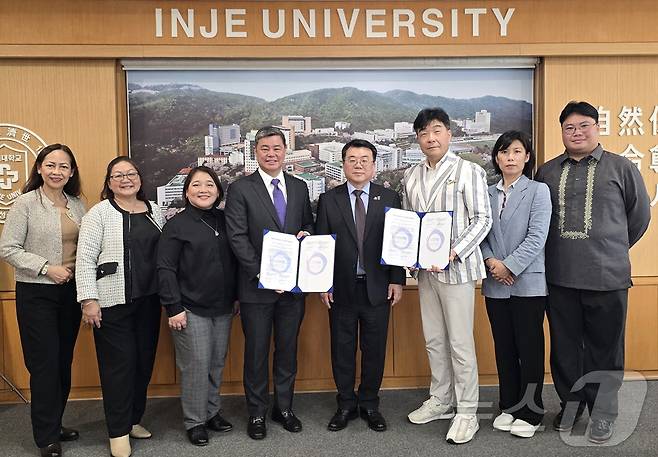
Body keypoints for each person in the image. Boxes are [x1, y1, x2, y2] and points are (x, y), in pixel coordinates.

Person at [535, 101, 651, 444]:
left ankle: (603, 413)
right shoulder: (548, 171)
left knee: (605, 349)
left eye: (584, 125)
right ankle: (571, 405)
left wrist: (610, 248)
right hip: (559, 277)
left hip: (607, 277)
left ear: (596, 127)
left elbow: (639, 216)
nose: (577, 133)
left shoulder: (621, 167)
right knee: (565, 348)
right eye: (570, 128)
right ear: (562, 132)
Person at [403, 108, 492, 444]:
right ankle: (440, 399)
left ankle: (467, 411)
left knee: (460, 343)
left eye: (437, 130)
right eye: (424, 133)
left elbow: (483, 219)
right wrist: (411, 259)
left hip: (457, 270)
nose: (431, 138)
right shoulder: (411, 175)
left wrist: (453, 251)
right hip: (426, 273)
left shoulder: (468, 171)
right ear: (418, 139)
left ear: (449, 133)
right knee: (434, 340)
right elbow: (411, 225)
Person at [225, 126, 314, 440]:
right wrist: (263, 274)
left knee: (288, 351)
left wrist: (306, 235)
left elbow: (307, 224)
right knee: (257, 352)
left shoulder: (300, 187)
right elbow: (236, 237)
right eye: (265, 148)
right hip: (256, 288)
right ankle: (257, 413)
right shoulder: (240, 189)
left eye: (277, 148)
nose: (271, 153)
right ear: (255, 152)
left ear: (285, 151)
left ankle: (284, 408)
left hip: (292, 289)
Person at [0, 144, 86, 457]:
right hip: (37, 292)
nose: (56, 172)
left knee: (63, 362)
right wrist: (46, 268)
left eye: (64, 167)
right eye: (50, 165)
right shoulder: (25, 203)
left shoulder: (78, 203)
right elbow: (7, 248)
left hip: (70, 293)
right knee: (45, 364)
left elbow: (85, 247)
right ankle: (46, 436)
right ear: (39, 168)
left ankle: (55, 422)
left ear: (71, 172)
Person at [75, 157, 164, 457]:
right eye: (118, 175)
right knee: (118, 368)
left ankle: (133, 419)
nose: (126, 179)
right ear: (109, 182)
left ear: (140, 178)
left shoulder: (155, 210)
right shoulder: (98, 214)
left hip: (149, 301)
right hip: (112, 303)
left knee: (143, 362)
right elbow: (85, 259)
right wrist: (89, 300)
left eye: (131, 174)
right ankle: (117, 431)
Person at [315, 139, 405, 433]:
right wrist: (322, 284)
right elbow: (322, 246)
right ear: (343, 164)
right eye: (352, 159)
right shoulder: (329, 200)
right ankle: (345, 404)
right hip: (340, 289)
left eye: (365, 159)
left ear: (374, 165)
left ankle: (369, 404)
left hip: (378, 287)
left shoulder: (390, 197)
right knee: (341, 348)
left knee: (374, 349)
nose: (358, 164)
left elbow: (398, 244)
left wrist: (397, 279)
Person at [157, 166, 237, 446]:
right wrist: (173, 307)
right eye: (196, 185)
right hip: (190, 308)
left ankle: (213, 412)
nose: (203, 190)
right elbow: (165, 269)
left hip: (224, 307)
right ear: (186, 192)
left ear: (218, 190)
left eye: (209, 185)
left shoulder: (225, 219)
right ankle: (195, 421)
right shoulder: (176, 226)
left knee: (216, 363)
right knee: (195, 366)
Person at [479, 131, 551, 438]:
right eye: (504, 152)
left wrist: (509, 265)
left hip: (528, 283)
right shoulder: (486, 192)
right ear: (496, 157)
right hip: (495, 283)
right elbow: (478, 232)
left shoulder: (538, 191)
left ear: (527, 157)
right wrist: (492, 262)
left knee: (529, 348)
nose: (510, 157)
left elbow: (537, 237)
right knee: (504, 347)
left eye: (517, 151)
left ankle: (531, 411)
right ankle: (509, 405)